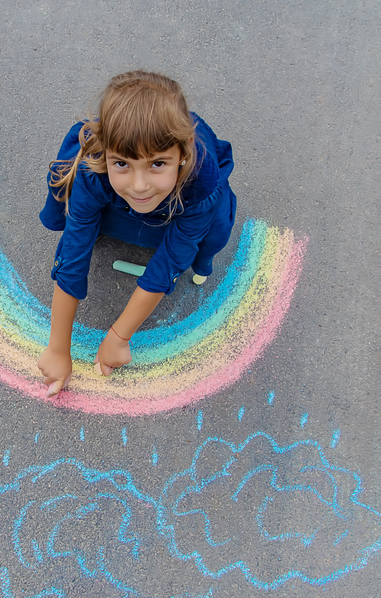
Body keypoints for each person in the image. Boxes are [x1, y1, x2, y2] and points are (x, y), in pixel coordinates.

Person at [37, 70, 237, 397]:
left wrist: (119, 337)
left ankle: (197, 260)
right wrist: (57, 349)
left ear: (184, 150)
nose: (140, 184)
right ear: (106, 151)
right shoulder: (95, 165)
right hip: (124, 192)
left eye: (157, 164)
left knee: (211, 232)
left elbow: (170, 260)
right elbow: (72, 256)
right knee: (91, 209)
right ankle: (120, 210)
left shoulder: (201, 178)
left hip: (182, 199)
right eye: (123, 164)